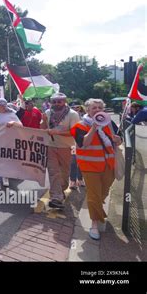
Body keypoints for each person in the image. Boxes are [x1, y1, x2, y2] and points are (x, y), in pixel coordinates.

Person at [70, 98, 122, 240]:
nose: (98, 110)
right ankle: (94, 224)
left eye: (100, 107)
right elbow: (83, 144)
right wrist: (94, 126)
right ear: (87, 110)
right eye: (94, 108)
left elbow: (118, 139)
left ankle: (97, 210)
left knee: (103, 192)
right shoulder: (79, 126)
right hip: (90, 167)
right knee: (94, 195)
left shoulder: (109, 123)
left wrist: (118, 140)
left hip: (108, 165)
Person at [40, 93, 80, 209]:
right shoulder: (47, 113)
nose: (57, 104)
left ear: (64, 101)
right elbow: (43, 130)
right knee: (53, 172)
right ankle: (56, 197)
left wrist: (57, 132)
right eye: (54, 101)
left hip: (66, 147)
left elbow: (74, 132)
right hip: (50, 146)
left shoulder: (73, 114)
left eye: (59, 101)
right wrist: (43, 121)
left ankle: (60, 191)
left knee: (64, 173)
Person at [0, 98, 22, 192]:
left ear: (2, 105)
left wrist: (13, 123)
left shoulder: (11, 114)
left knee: (6, 160)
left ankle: (5, 176)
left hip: (7, 142)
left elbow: (21, 125)